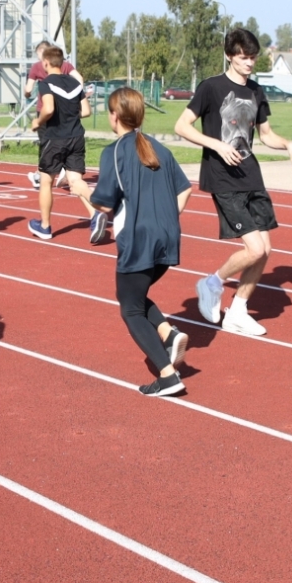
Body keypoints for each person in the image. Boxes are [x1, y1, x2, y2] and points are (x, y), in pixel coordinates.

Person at [174, 26, 292, 336]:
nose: (249, 63)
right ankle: (211, 283)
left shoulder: (256, 91)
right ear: (229, 56)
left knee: (265, 249)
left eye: (253, 58)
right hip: (223, 178)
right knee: (253, 249)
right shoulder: (211, 88)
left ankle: (237, 309)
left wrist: (289, 144)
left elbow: (265, 135)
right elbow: (182, 126)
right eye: (243, 58)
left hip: (251, 175)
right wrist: (218, 145)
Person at [91, 88, 194, 396]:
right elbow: (185, 189)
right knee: (133, 296)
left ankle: (167, 375)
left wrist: (80, 187)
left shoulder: (114, 152)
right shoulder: (159, 148)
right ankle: (167, 332)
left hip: (139, 239)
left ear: (115, 116)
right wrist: (164, 218)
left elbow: (104, 205)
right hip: (168, 237)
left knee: (130, 310)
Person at [28, 44, 101, 241]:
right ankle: (95, 214)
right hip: (76, 137)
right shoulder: (75, 83)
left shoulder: (46, 83)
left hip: (55, 138)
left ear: (45, 62)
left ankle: (44, 226)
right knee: (75, 180)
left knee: (46, 181)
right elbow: (86, 111)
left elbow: (49, 109)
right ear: (62, 63)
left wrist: (38, 121)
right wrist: (70, 113)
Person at [26, 41, 81, 191]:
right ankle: (64, 168)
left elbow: (29, 89)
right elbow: (79, 80)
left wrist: (37, 120)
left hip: (45, 110)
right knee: (65, 139)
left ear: (44, 59)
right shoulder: (66, 66)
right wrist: (78, 98)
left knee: (47, 144)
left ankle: (44, 174)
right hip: (67, 111)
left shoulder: (38, 69)